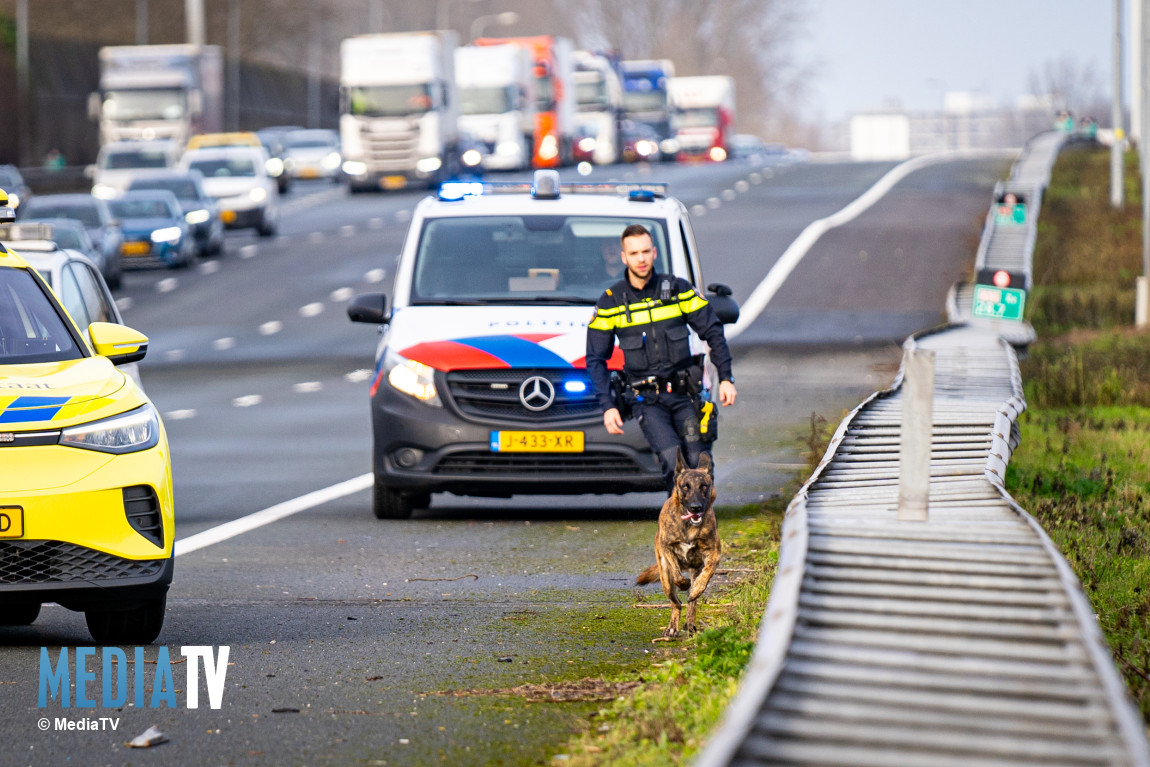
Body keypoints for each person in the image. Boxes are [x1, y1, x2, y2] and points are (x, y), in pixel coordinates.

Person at [585, 224, 737, 492]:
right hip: (647, 401)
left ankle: (700, 525)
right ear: (624, 257)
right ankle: (682, 524)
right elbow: (596, 359)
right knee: (672, 461)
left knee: (698, 462)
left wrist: (726, 377)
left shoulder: (679, 290)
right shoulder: (611, 302)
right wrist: (608, 405)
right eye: (634, 253)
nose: (641, 259)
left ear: (655, 253)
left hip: (684, 396)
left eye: (645, 251)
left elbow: (713, 330)